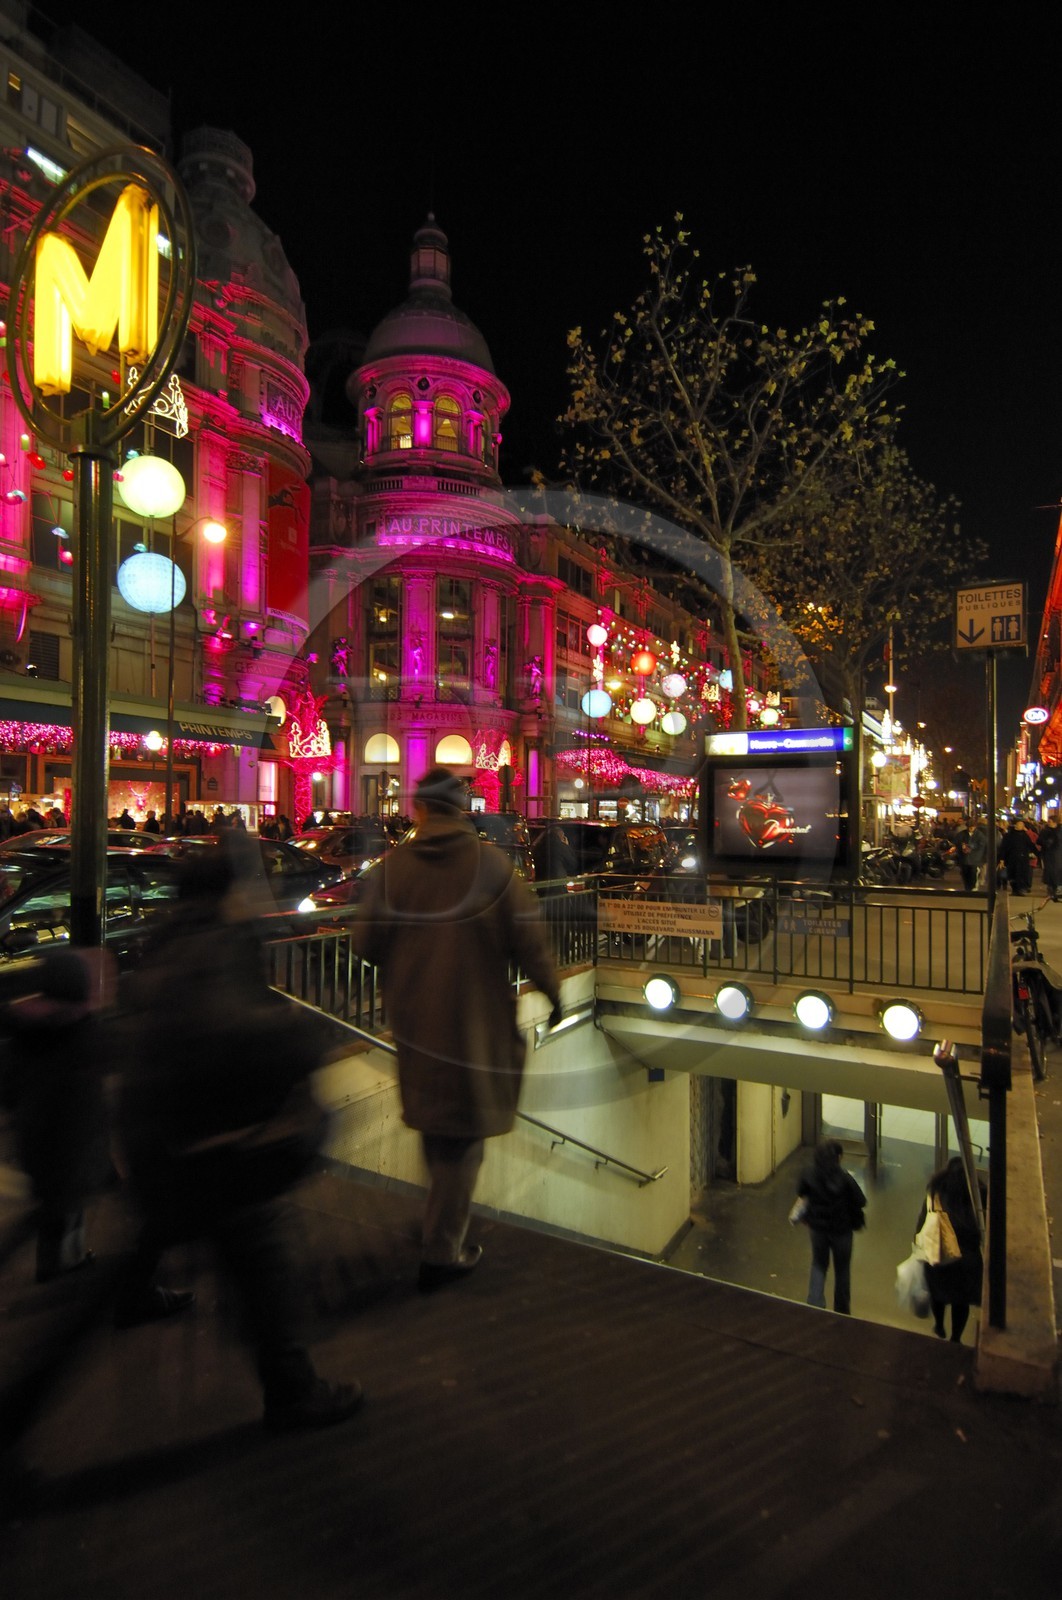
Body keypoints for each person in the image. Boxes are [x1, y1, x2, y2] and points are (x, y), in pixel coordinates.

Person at [118, 832, 362, 1430]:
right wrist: (299, 1036)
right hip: (213, 1141)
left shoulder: (171, 935)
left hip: (166, 1131)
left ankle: (128, 1302)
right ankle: (292, 1390)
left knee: (215, 1248)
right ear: (232, 890)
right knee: (264, 1256)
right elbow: (226, 1032)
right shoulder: (212, 945)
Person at [354, 766, 562, 1290]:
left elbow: (365, 944)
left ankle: (437, 1230)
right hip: (475, 1022)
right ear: (462, 810)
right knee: (463, 1138)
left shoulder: (392, 869)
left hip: (415, 1020)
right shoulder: (492, 868)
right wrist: (554, 993)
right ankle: (441, 1250)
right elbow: (530, 943)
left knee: (436, 1126)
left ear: (420, 809)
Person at [0, 947, 114, 1281]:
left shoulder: (23, 1027)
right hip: (72, 1144)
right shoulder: (82, 1032)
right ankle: (63, 1263)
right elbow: (92, 1089)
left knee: (56, 1208)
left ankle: (59, 1261)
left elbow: (8, 1087)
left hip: (37, 1142)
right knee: (63, 1208)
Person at [915, 1157, 985, 1342]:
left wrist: (918, 1246)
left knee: (938, 1294)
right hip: (967, 1259)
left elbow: (923, 1223)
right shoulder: (978, 1195)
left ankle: (939, 1326)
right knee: (961, 1301)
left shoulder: (936, 1192)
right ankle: (956, 1337)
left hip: (939, 1253)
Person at [795, 1138, 866, 1315]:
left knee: (819, 1264)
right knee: (842, 1270)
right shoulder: (845, 1179)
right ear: (838, 1158)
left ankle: (814, 1304)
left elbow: (801, 1193)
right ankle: (842, 1310)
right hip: (842, 1231)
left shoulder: (808, 1174)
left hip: (817, 1229)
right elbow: (861, 1200)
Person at [999, 817, 1035, 895]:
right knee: (1013, 874)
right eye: (1020, 824)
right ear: (1016, 825)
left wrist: (1036, 853)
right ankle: (1015, 889)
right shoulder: (1009, 835)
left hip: (1023, 858)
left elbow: (1031, 845)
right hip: (1012, 858)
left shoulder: (1025, 835)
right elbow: (1004, 847)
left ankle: (1021, 889)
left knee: (1022, 874)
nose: (1021, 826)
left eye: (1022, 824)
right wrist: (1002, 859)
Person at [1039, 816, 1062, 901]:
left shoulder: (1060, 831)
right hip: (1048, 855)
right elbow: (1039, 840)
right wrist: (1046, 843)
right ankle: (1051, 891)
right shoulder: (1045, 831)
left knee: (1058, 873)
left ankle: (1057, 892)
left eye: (1050, 821)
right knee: (1049, 872)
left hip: (1058, 855)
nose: (1048, 822)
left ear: (1054, 822)